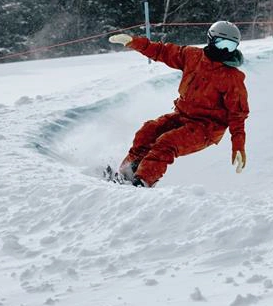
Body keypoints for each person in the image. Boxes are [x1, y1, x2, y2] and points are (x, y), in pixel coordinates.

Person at [107, 20, 250, 188]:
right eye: (222, 44)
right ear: (210, 40)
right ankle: (128, 172)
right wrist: (134, 42)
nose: (225, 50)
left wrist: (238, 146)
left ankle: (143, 181)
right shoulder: (192, 56)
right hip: (182, 116)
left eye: (231, 46)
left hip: (206, 128)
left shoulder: (232, 77)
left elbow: (237, 114)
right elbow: (162, 51)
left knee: (166, 142)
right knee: (148, 131)